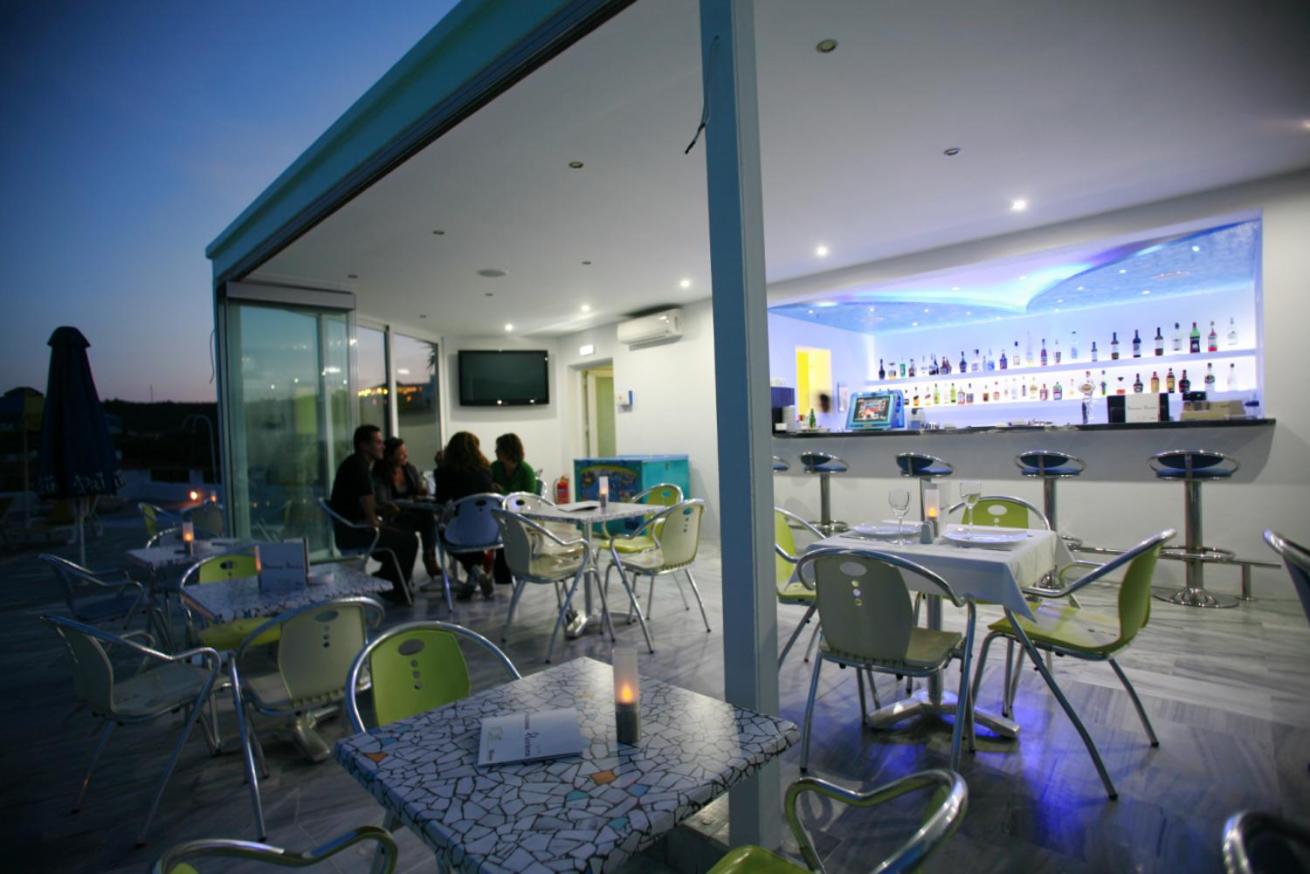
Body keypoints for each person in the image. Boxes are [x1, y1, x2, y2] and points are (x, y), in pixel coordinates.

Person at [328, 424, 417, 602]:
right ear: (364, 445)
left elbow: (363, 504)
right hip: (354, 533)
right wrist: (379, 520)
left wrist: (383, 510)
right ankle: (390, 586)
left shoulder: (356, 464)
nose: (383, 446)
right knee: (409, 541)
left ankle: (388, 582)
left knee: (404, 531)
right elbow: (370, 515)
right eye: (378, 442)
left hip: (351, 529)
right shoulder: (359, 467)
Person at [435, 431, 496, 599]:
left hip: (462, 529)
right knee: (471, 538)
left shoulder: (445, 472)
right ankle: (473, 579)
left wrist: (439, 466)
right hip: (489, 530)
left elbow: (441, 500)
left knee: (443, 534)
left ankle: (476, 571)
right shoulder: (486, 470)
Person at [373, 436, 440, 579]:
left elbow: (419, 490)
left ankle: (429, 556)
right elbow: (383, 501)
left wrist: (421, 493)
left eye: (405, 452)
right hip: (394, 514)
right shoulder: (380, 475)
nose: (406, 456)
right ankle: (425, 560)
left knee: (428, 517)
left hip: (413, 511)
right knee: (422, 521)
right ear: (390, 456)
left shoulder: (409, 469)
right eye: (401, 454)